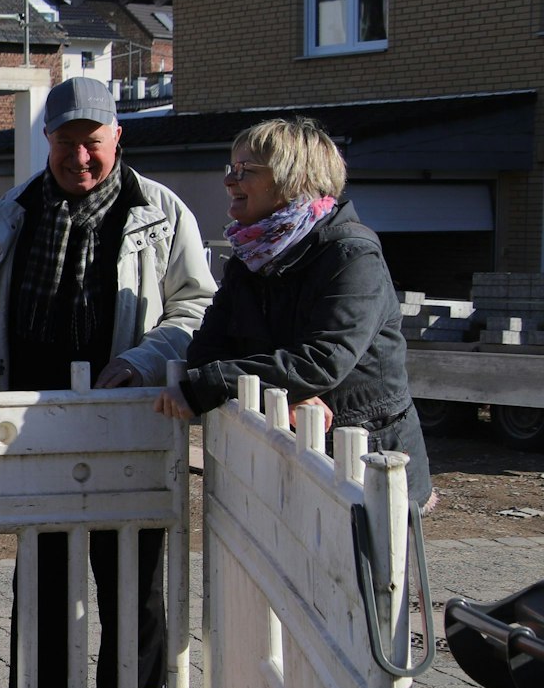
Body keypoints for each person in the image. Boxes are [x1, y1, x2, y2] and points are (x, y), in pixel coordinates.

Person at [0, 76, 214, 688]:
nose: (79, 157)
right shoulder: (12, 214)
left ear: (118, 136)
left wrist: (145, 359)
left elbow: (197, 308)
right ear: (46, 139)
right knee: (41, 586)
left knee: (133, 583)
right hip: (37, 435)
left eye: (92, 142)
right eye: (65, 142)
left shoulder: (161, 213)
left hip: (131, 427)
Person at [154, 117, 434, 510]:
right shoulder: (250, 258)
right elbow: (205, 353)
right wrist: (286, 394)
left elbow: (323, 359)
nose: (229, 181)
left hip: (366, 458)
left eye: (245, 171)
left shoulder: (351, 255)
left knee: (365, 572)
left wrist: (212, 385)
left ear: (294, 179)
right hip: (291, 458)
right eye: (230, 169)